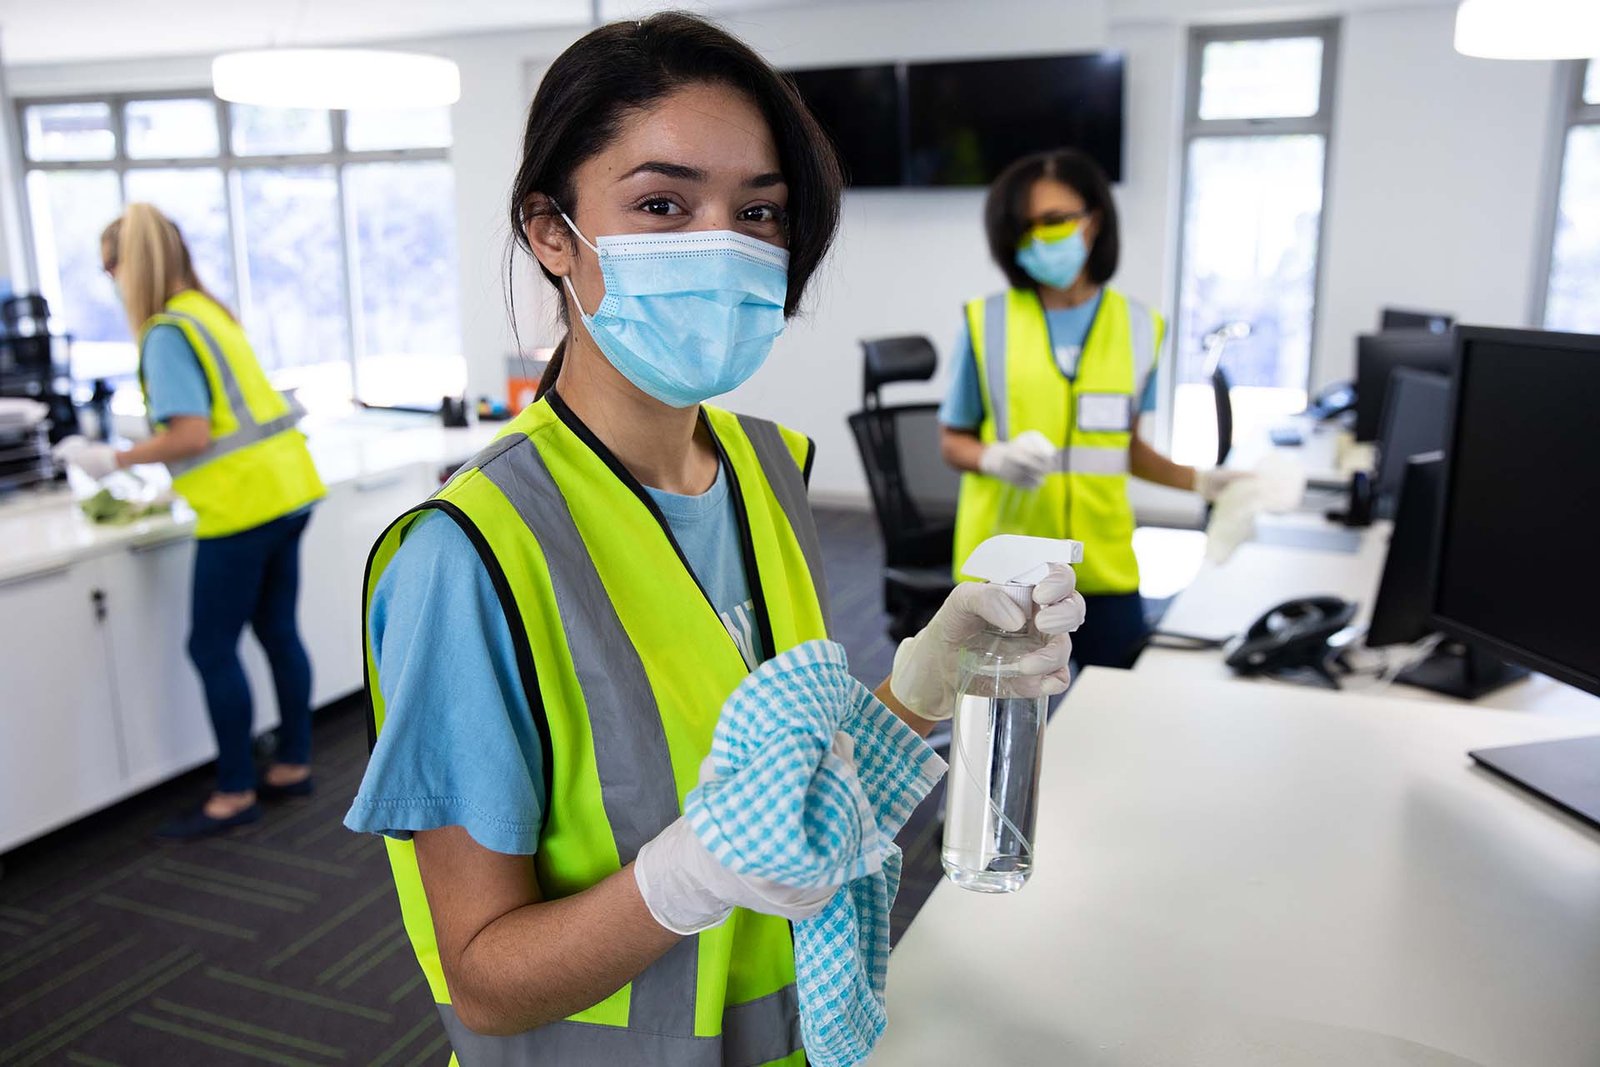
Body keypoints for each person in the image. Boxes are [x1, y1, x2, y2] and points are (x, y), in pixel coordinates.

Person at [344, 13, 1084, 1063]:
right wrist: (682, 876)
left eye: (760, 212)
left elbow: (792, 785)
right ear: (552, 232)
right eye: (661, 203)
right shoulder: (468, 555)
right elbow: (485, 981)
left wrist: (928, 678)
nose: (723, 243)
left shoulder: (770, 468)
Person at [54, 203, 326, 839]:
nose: (111, 281)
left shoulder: (165, 331)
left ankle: (234, 791)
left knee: (209, 645)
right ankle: (293, 764)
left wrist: (111, 457)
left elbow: (193, 432)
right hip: (288, 491)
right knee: (278, 631)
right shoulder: (209, 312)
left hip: (241, 508)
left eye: (108, 268)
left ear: (130, 265)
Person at [939, 149, 1248, 670]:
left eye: (1056, 220)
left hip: (1101, 564)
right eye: (1025, 225)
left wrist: (1205, 483)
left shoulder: (1140, 328)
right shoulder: (984, 321)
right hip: (1005, 569)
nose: (1041, 236)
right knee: (997, 723)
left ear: (1095, 221)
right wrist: (993, 457)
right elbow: (953, 440)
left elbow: (1127, 451)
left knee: (1118, 715)